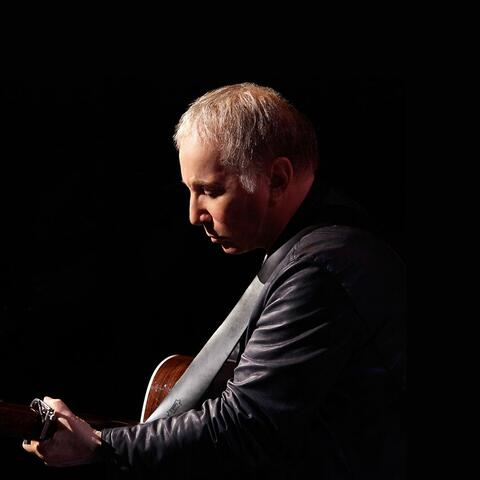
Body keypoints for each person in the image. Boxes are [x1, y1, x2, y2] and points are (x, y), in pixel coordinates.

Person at [23, 82, 406, 479]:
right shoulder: (324, 247)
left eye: (209, 191)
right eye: (190, 190)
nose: (193, 214)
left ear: (276, 179)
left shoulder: (320, 270)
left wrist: (102, 446)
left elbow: (245, 424)